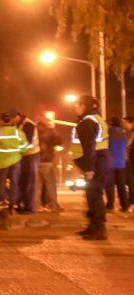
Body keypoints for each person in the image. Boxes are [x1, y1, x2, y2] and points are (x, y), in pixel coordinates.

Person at [70, 95, 111, 240]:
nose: (76, 107)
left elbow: (89, 147)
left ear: (86, 106)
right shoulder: (96, 119)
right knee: (91, 194)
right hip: (100, 160)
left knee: (94, 195)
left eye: (79, 104)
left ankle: (100, 229)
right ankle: (93, 226)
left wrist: (89, 168)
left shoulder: (87, 122)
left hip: (96, 162)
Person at [0, 111, 28, 214]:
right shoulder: (19, 133)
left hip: (2, 161)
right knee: (15, 183)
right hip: (16, 160)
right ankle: (12, 204)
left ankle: (3, 200)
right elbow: (25, 147)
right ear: (11, 121)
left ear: (1, 121)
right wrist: (17, 151)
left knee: (0, 182)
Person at [15, 111, 39, 214]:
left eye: (13, 119)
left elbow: (26, 142)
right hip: (24, 156)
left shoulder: (28, 125)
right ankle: (22, 205)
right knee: (23, 182)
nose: (12, 122)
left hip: (31, 156)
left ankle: (29, 208)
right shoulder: (19, 125)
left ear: (17, 116)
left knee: (29, 182)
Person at [36, 120, 63, 212]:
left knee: (37, 186)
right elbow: (59, 141)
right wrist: (52, 129)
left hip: (35, 161)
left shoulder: (34, 134)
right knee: (50, 185)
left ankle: (37, 206)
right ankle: (53, 206)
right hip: (47, 161)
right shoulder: (49, 134)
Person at [105, 117, 129, 212]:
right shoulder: (124, 134)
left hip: (110, 163)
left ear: (111, 124)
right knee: (121, 186)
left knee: (110, 185)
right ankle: (124, 206)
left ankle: (110, 206)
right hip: (121, 163)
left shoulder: (109, 133)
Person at [124, 116, 134, 211]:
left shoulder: (131, 133)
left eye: (125, 122)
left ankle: (132, 202)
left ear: (131, 123)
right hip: (129, 160)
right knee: (130, 182)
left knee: (131, 182)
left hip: (130, 160)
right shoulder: (128, 132)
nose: (124, 124)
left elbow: (126, 144)